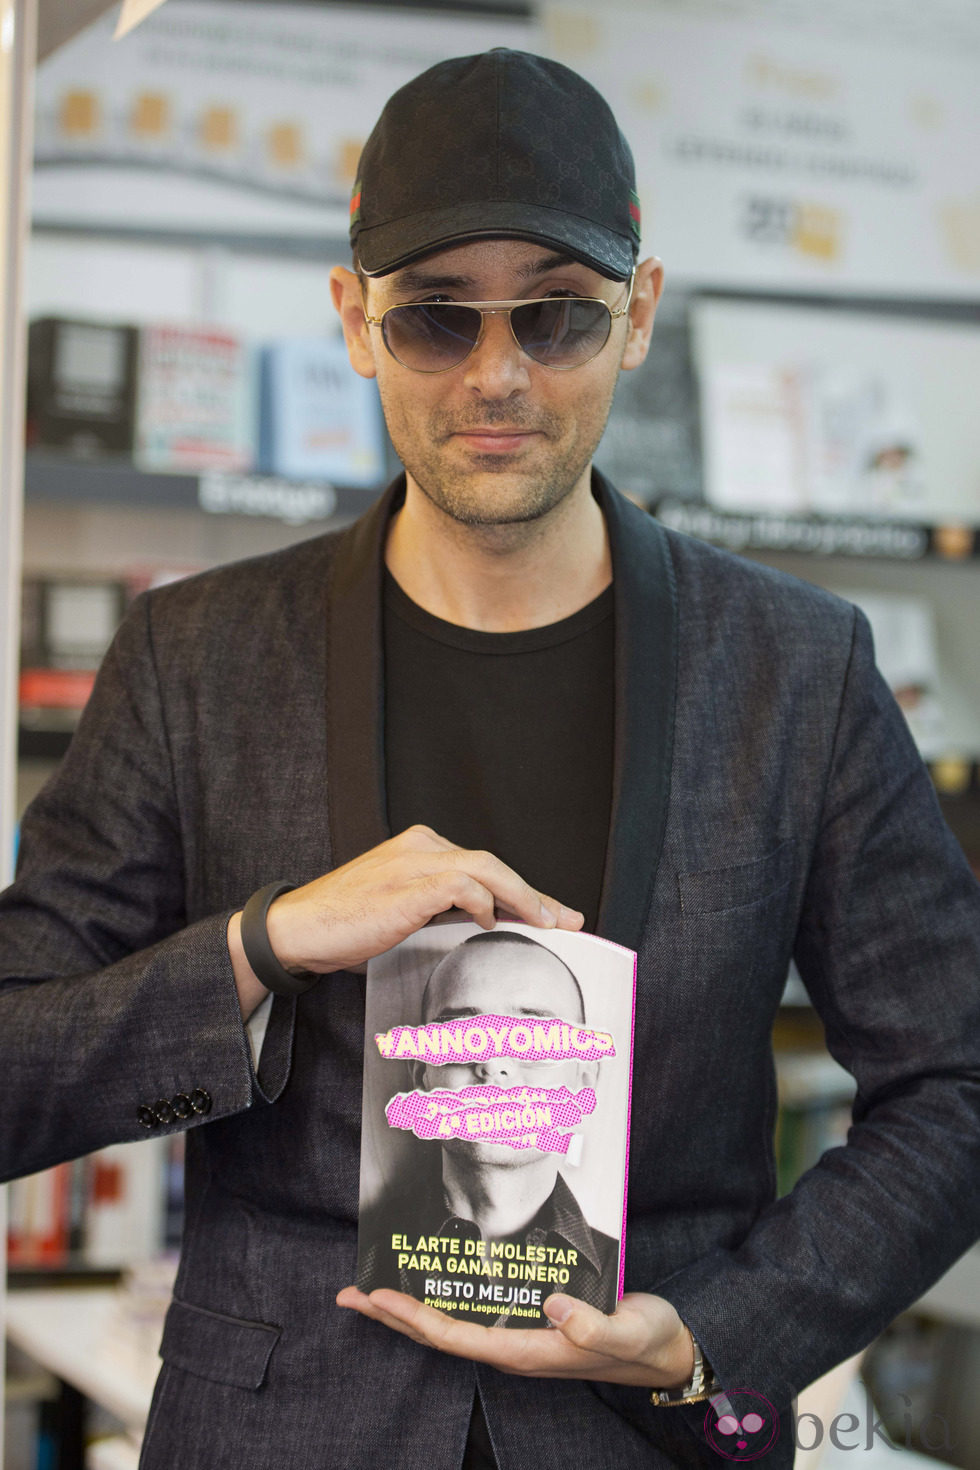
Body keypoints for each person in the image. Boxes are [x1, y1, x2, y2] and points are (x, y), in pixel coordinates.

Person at [1, 45, 979, 1470]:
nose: (498, 375)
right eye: (438, 322)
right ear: (353, 319)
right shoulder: (194, 658)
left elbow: (954, 1083)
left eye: (558, 317)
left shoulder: (799, 670)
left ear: (638, 313)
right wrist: (263, 941)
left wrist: (720, 1329)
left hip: (642, 1435)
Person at [357, 930, 619, 1322]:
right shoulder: (361, 1256)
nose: (494, 1064)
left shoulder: (625, 1275)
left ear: (584, 1079)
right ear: (421, 1075)